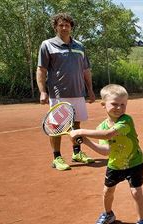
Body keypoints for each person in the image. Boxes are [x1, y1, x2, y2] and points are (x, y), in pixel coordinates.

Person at [69, 84, 143, 224]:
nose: (119, 108)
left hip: (134, 162)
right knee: (107, 192)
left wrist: (80, 131)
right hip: (115, 164)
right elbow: (105, 151)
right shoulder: (101, 126)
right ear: (103, 105)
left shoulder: (126, 121)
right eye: (114, 104)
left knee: (136, 191)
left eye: (123, 104)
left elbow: (109, 134)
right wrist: (86, 141)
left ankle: (141, 221)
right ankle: (108, 214)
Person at [36, 13, 96, 171]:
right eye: (61, 25)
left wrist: (90, 90)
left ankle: (77, 153)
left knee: (76, 124)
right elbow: (41, 70)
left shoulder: (80, 46)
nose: (64, 27)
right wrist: (43, 91)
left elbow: (86, 70)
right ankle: (56, 157)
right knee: (56, 127)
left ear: (71, 27)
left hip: (78, 92)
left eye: (67, 25)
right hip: (58, 94)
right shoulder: (47, 45)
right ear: (55, 27)